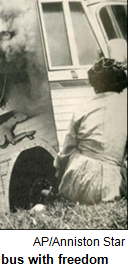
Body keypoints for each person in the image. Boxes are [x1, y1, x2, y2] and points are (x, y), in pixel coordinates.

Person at [54, 57, 127, 204]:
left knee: (75, 150)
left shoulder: (82, 108)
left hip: (76, 182)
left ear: (95, 84)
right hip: (109, 187)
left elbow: (66, 153)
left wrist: (57, 177)